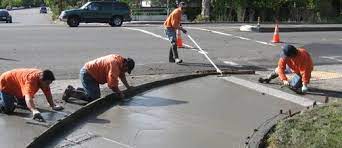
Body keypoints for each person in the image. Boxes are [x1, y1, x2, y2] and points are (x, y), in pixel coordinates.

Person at [62, 54, 135, 102]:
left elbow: (122, 76)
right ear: (125, 65)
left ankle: (79, 90)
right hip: (88, 74)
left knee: (95, 95)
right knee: (94, 98)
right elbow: (112, 85)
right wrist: (120, 94)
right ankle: (70, 92)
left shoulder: (120, 61)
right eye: (126, 70)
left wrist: (128, 87)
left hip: (93, 74)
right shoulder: (114, 66)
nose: (125, 72)